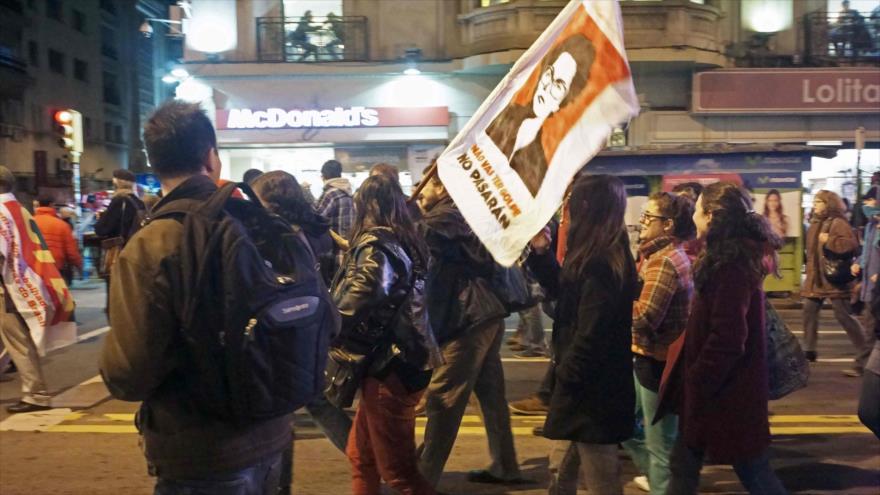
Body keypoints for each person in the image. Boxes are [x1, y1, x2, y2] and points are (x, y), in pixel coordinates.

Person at [100, 101, 291, 493]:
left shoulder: (153, 243)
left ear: (154, 164)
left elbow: (130, 373)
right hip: (273, 432)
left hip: (202, 450)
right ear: (211, 157)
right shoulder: (260, 222)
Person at [658, 181, 786, 495]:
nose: (695, 216)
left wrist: (697, 379)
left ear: (712, 215)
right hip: (720, 391)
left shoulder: (730, 265)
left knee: (752, 470)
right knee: (686, 465)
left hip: (724, 392)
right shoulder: (727, 257)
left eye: (699, 209)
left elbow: (729, 337)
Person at [525, 174, 637, 495]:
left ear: (588, 207)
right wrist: (542, 253)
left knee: (600, 477)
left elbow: (592, 332)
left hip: (591, 392)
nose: (567, 211)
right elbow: (564, 292)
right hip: (582, 387)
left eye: (572, 203)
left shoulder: (604, 262)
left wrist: (567, 376)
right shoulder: (592, 251)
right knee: (561, 469)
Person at [332, 174, 444, 495]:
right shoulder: (406, 239)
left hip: (391, 365)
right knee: (361, 457)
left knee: (399, 474)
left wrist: (326, 322)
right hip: (404, 358)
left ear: (366, 206)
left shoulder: (378, 244)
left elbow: (363, 292)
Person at [416, 173, 528, 487]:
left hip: (469, 318)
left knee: (443, 399)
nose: (418, 191)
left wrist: (403, 216)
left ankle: (422, 479)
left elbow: (422, 233)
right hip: (483, 313)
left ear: (440, 185)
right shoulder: (470, 210)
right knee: (490, 395)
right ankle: (505, 465)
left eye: (423, 185)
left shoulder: (450, 213)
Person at [622, 192, 695, 495]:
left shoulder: (664, 262)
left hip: (656, 362)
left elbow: (644, 318)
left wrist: (616, 298)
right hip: (648, 358)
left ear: (668, 225)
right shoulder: (661, 256)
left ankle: (661, 485)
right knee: (625, 425)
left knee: (660, 447)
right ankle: (656, 478)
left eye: (649, 217)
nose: (642, 221)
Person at [485, 33, 595, 196]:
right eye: (549, 74)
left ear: (564, 100)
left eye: (559, 85)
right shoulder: (504, 117)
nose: (547, 87)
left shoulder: (541, 167)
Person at [0, 167, 65, 413]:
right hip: (24, 284)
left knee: (18, 341)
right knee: (18, 341)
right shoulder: (20, 209)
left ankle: (35, 394)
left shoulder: (0, 211)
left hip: (8, 288)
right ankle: (35, 391)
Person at [802, 190, 870, 377]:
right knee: (809, 309)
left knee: (844, 316)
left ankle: (866, 354)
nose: (815, 204)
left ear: (828, 204)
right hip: (817, 280)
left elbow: (851, 246)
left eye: (818, 202)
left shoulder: (838, 222)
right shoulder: (815, 223)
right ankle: (809, 350)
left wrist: (829, 241)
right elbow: (812, 255)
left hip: (834, 280)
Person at [252, 170, 335, 285]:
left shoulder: (273, 237)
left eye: (255, 199)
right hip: (318, 297)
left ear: (274, 201)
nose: (252, 205)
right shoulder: (316, 227)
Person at [94, 168, 145, 313]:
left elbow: (103, 229)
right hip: (136, 252)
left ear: (117, 183)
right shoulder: (138, 202)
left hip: (119, 253)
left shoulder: (119, 201)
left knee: (115, 297)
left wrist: (101, 219)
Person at [33, 197, 83, 287]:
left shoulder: (30, 222)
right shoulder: (62, 225)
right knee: (58, 297)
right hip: (56, 267)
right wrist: (78, 265)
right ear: (51, 205)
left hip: (36, 266)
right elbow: (71, 250)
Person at [316, 159, 354, 271]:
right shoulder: (347, 191)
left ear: (323, 176)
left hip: (335, 250)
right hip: (348, 246)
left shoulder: (331, 193)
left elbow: (317, 218)